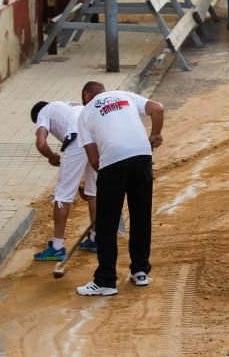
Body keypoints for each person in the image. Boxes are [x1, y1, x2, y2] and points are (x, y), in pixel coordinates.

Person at [75, 82, 164, 296]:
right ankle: (140, 271)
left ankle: (105, 280)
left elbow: (94, 160)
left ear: (86, 96)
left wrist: (105, 179)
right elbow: (158, 108)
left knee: (106, 224)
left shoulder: (85, 113)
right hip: (143, 156)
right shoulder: (124, 94)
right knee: (141, 216)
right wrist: (155, 134)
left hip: (113, 162)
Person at [30, 100, 98, 261]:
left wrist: (52, 157)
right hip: (98, 136)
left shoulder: (43, 113)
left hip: (77, 139)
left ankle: (57, 247)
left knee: (63, 195)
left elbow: (40, 143)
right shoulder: (66, 105)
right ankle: (96, 238)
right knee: (94, 190)